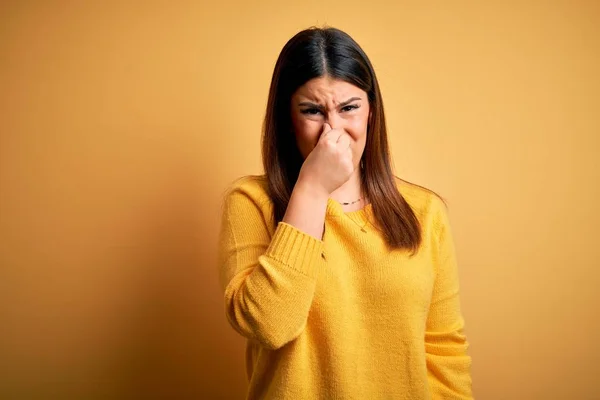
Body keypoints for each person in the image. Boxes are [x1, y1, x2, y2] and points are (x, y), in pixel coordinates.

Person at [217, 26, 473, 399]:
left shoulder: (424, 212)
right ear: (287, 120)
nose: (332, 129)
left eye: (349, 108)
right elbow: (270, 324)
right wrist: (312, 188)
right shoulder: (251, 201)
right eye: (312, 111)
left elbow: (444, 350)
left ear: (371, 112)